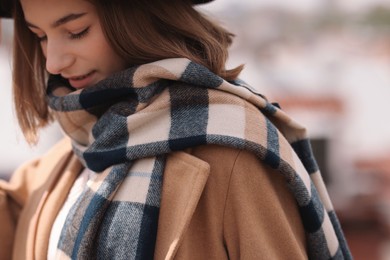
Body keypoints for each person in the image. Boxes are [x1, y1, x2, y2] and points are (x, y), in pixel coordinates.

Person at [0, 0, 352, 259]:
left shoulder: (233, 156)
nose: (54, 62)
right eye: (41, 36)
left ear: (139, 15)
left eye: (76, 31)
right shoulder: (76, 153)